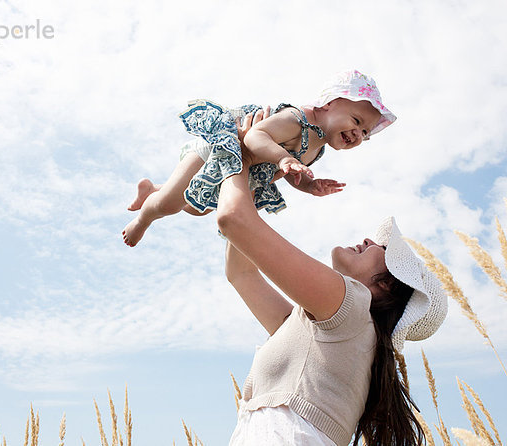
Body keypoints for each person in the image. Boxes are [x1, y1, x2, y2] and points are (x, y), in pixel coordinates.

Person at [216, 128, 448, 445]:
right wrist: (256, 177)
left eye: (382, 250)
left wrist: (239, 156)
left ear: (388, 288)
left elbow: (233, 219)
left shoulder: (351, 306)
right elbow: (240, 273)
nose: (369, 240)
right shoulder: (333, 330)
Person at [123, 69, 396, 247]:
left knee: (198, 208)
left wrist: (310, 186)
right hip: (223, 148)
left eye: (365, 132)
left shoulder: (318, 146)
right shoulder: (297, 119)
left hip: (242, 168)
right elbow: (255, 136)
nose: (358, 134)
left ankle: (154, 188)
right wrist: (282, 158)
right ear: (328, 104)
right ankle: (143, 219)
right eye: (356, 121)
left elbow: (291, 173)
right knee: (171, 203)